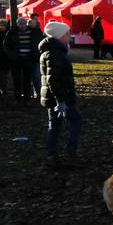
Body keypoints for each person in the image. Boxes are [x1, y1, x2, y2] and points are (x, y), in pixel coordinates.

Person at [40, 22, 82, 170]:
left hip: (55, 97)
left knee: (55, 126)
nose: (69, 36)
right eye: (67, 33)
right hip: (60, 97)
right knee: (76, 122)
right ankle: (70, 154)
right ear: (59, 36)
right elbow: (53, 79)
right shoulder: (55, 53)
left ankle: (52, 155)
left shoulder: (54, 51)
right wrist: (61, 101)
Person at [4, 17, 38, 104]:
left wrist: (34, 55)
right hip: (16, 60)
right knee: (16, 80)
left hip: (29, 59)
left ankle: (27, 99)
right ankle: (17, 98)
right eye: (20, 24)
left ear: (26, 23)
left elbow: (37, 44)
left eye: (24, 23)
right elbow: (6, 45)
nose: (22, 25)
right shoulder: (12, 32)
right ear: (17, 24)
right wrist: (12, 56)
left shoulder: (34, 32)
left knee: (27, 80)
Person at [27, 18, 45, 99]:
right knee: (29, 77)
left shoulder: (39, 32)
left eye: (32, 22)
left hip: (36, 57)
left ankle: (37, 93)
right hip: (28, 57)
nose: (30, 23)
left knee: (36, 77)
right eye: (29, 22)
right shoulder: (25, 32)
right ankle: (30, 93)